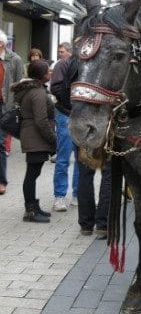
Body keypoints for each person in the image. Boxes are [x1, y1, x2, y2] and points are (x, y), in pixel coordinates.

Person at [52, 54, 111, 236]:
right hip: (107, 123)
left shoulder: (69, 63)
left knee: (85, 172)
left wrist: (71, 109)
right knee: (109, 173)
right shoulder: (106, 61)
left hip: (81, 123)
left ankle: (86, 224)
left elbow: (57, 89)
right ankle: (103, 224)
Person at [11, 60, 56, 222]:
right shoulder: (37, 92)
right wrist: (53, 139)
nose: (50, 73)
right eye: (48, 72)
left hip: (32, 136)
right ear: (41, 75)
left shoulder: (33, 89)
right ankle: (30, 211)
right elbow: (41, 120)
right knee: (32, 174)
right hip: (35, 137)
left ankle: (33, 206)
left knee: (34, 173)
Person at [50, 44, 79, 211]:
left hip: (80, 115)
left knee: (82, 159)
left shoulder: (88, 63)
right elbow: (55, 87)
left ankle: (77, 194)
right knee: (63, 158)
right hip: (66, 114)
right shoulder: (64, 64)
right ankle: (60, 196)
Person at [0, 29, 24, 195]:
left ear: (2, 44)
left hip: (4, 108)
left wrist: (15, 106)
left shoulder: (14, 60)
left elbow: (20, 86)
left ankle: (2, 181)